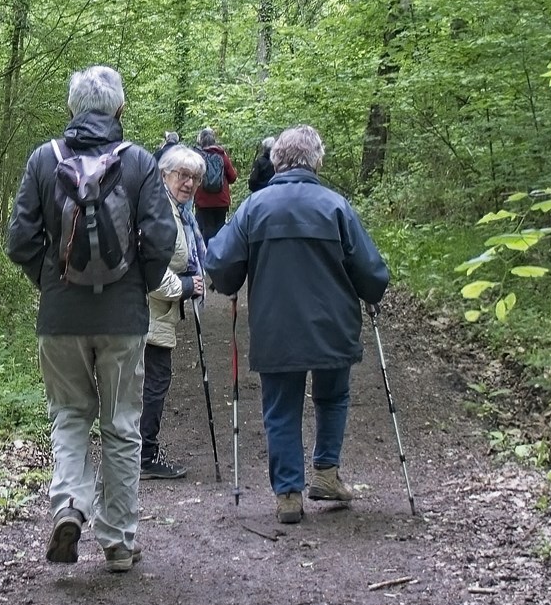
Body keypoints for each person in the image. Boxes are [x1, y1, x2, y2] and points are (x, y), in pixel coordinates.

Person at [6, 65, 177, 572]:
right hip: (123, 317)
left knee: (70, 415)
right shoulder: (141, 162)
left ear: (71, 110)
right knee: (123, 427)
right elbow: (161, 237)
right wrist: (138, 285)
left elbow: (20, 240)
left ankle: (68, 508)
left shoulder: (44, 160)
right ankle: (119, 542)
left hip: (59, 317)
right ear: (120, 109)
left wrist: (50, 281)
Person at [203, 124, 390, 527]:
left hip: (276, 328)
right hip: (333, 324)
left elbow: (219, 263)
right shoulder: (336, 205)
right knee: (333, 396)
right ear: (316, 160)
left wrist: (232, 280)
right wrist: (372, 291)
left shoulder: (255, 207)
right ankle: (325, 473)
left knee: (281, 408)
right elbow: (372, 273)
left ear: (276, 161)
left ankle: (288, 493)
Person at [140, 145, 213, 479]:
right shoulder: (160, 212)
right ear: (163, 174)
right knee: (153, 383)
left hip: (159, 314)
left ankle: (139, 454)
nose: (189, 183)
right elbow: (149, 269)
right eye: (182, 175)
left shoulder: (181, 213)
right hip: (147, 313)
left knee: (152, 383)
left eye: (195, 178)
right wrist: (186, 287)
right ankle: (142, 457)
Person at [193, 127, 235, 245]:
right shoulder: (223, 156)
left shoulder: (197, 157)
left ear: (201, 141)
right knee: (220, 228)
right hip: (221, 201)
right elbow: (233, 177)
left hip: (203, 201)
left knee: (206, 230)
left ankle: (207, 256)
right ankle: (220, 255)